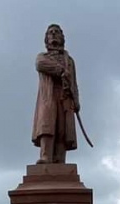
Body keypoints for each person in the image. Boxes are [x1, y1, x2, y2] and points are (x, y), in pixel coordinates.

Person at [32, 23, 80, 164]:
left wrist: (76, 100)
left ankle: (60, 159)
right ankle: (46, 157)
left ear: (62, 37)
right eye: (50, 32)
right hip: (49, 95)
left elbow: (74, 82)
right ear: (46, 38)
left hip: (65, 97)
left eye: (56, 32)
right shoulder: (42, 56)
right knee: (47, 125)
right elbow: (40, 65)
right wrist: (61, 70)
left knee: (62, 128)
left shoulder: (69, 60)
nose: (53, 34)